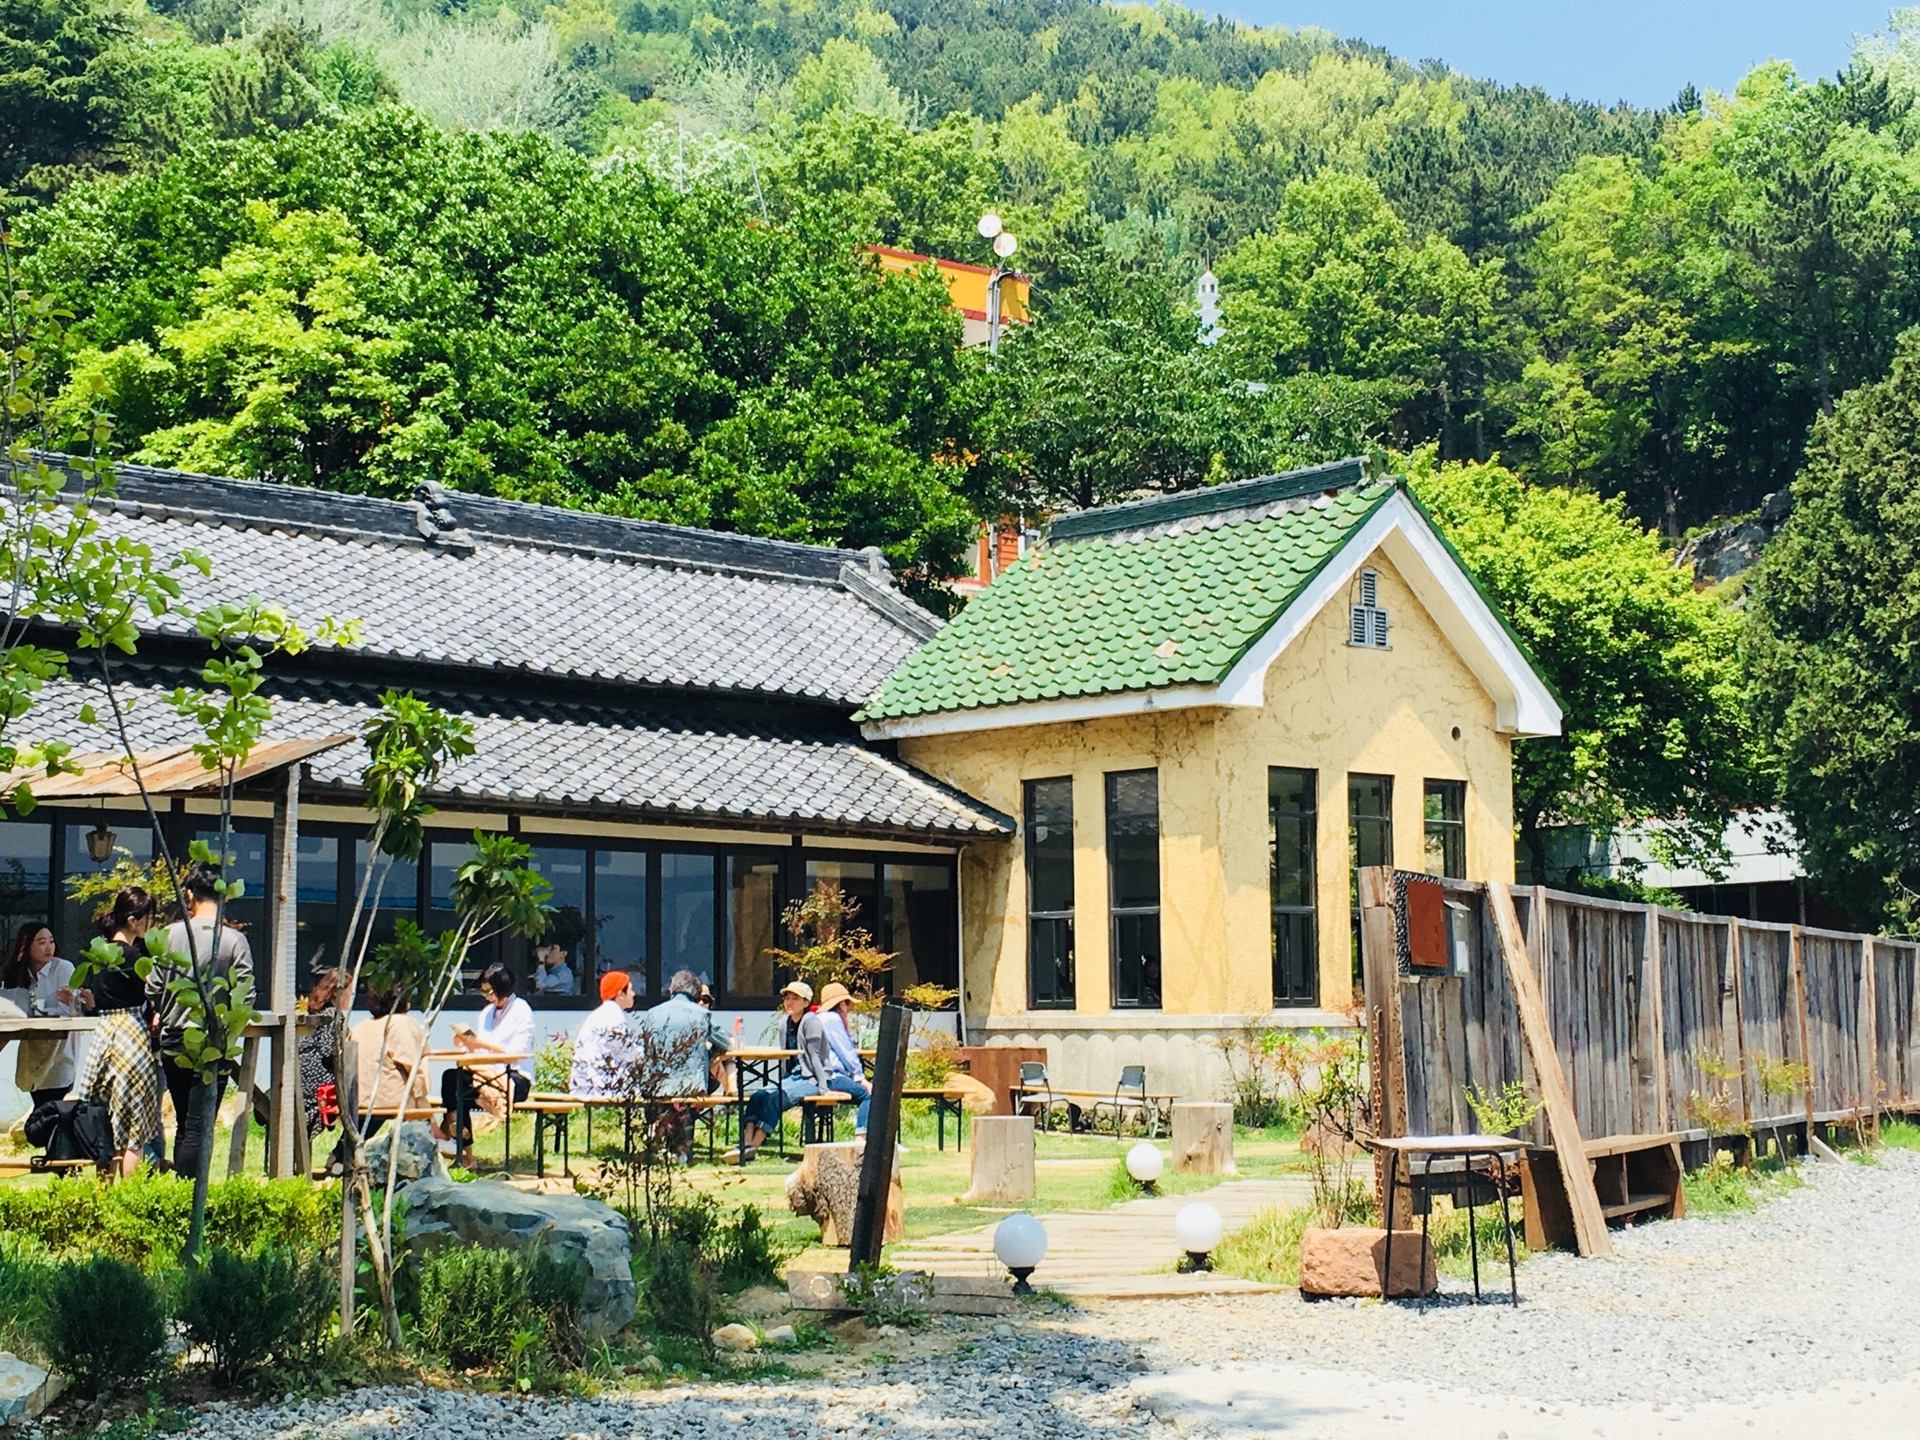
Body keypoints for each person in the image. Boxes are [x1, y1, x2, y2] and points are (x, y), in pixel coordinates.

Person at [148, 863, 254, 1182]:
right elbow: (246, 993)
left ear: (189, 895)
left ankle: (183, 1193)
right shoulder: (234, 940)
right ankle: (191, 1196)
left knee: (185, 1122)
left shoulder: (169, 935)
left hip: (174, 1038)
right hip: (214, 1042)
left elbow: (152, 987)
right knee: (199, 1125)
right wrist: (229, 1029)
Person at [72, 888, 163, 1177]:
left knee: (103, 1116)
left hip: (104, 1033)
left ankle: (104, 1188)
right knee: (134, 1127)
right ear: (135, 920)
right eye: (149, 918)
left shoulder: (102, 953)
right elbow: (156, 991)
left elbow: (94, 999)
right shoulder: (135, 959)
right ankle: (129, 1198)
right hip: (131, 1035)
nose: (151, 923)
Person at [433, 962, 534, 1161]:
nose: (487, 997)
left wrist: (480, 1044)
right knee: (452, 1077)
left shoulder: (521, 1010)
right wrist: (466, 1041)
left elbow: (517, 1052)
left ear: (503, 988)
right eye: (484, 992)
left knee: (461, 1086)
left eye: (490, 992)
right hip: (486, 1070)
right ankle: (458, 1131)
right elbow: (479, 1049)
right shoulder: (487, 1012)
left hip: (514, 1075)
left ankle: (460, 1143)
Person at [738, 979, 834, 1161]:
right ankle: (746, 1141)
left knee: (776, 1098)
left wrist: (824, 1087)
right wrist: (783, 1079)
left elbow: (816, 1057)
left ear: (806, 1002)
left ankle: (753, 1147)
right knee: (758, 1095)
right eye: (787, 998)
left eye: (795, 998)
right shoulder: (784, 1023)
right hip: (793, 1077)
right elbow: (785, 1056)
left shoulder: (811, 1022)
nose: (789, 1003)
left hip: (811, 1078)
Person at [634, 969, 722, 1162]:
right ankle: (681, 1152)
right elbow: (723, 1042)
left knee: (667, 1097)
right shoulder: (701, 1014)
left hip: (655, 1084)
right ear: (696, 994)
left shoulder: (652, 1013)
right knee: (684, 1096)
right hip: (691, 1085)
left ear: (672, 989)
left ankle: (658, 1146)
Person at [4, 921, 76, 1109]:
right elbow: (12, 1007)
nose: (48, 947)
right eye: (41, 942)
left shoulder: (64, 968)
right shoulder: (18, 973)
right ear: (26, 946)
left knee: (51, 1111)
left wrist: (37, 1004)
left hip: (58, 1050)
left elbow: (65, 1008)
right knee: (42, 1110)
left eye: (51, 941)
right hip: (32, 1050)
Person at [347, 984, 427, 1136]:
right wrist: (423, 1104)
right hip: (391, 1098)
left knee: (359, 1134)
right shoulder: (401, 1023)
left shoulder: (360, 1026)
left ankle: (342, 1154)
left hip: (360, 1098)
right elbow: (412, 1065)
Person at [815, 982, 874, 1136]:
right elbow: (846, 1051)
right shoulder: (832, 1019)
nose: (848, 1008)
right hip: (831, 1076)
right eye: (847, 1003)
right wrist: (860, 1077)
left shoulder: (818, 1018)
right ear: (841, 1003)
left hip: (816, 1076)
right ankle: (863, 1136)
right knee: (868, 1095)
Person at [571, 969, 637, 1099]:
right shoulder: (615, 1016)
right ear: (620, 994)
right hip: (602, 1088)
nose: (634, 994)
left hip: (582, 1086)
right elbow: (630, 1054)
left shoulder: (598, 1014)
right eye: (630, 989)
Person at [297, 969, 345, 1137]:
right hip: (317, 1088)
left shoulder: (310, 1012)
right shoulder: (332, 1016)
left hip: (299, 1080)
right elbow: (328, 1051)